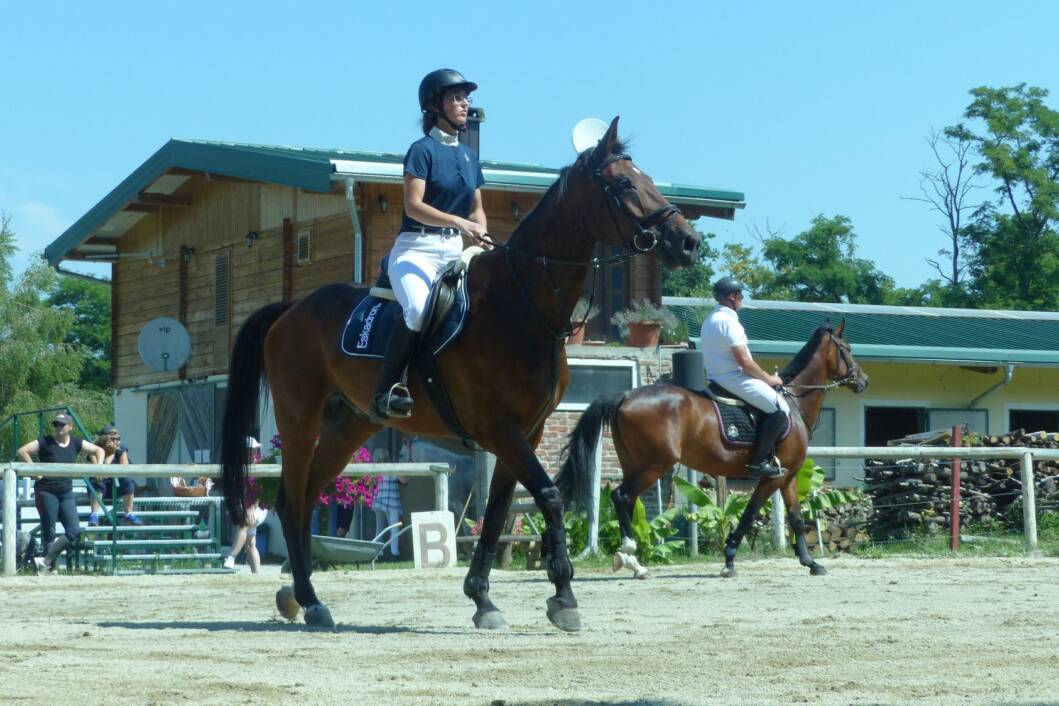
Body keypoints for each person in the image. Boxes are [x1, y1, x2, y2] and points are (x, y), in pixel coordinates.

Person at [371, 68, 489, 421]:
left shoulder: (469, 158)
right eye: (456, 97)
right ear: (435, 105)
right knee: (419, 309)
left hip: (457, 251)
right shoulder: (421, 150)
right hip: (416, 250)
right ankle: (387, 389)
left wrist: (480, 233)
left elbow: (479, 209)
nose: (464, 103)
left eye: (466, 97)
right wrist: (460, 222)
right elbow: (414, 206)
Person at [700, 277, 790, 478]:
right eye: (740, 294)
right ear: (732, 297)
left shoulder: (710, 319)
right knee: (780, 407)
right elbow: (745, 363)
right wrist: (768, 379)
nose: (742, 297)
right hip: (734, 377)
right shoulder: (729, 322)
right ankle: (757, 463)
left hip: (716, 377)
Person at [16, 412, 105, 574]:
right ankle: (50, 569)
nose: (58, 427)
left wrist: (99, 467)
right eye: (56, 424)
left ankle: (45, 561)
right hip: (46, 491)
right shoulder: (45, 441)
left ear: (70, 426)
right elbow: (22, 451)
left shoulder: (77, 442)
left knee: (74, 530)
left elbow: (99, 450)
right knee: (49, 531)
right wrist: (33, 468)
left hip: (66, 492)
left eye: (61, 424)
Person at [223, 437, 266, 573]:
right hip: (245, 507)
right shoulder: (240, 467)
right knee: (250, 544)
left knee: (243, 524)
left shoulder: (260, 466)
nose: (254, 452)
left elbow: (261, 492)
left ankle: (232, 557)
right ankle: (256, 575)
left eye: (255, 449)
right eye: (251, 450)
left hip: (259, 507)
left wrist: (252, 508)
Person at [87, 425, 142, 526]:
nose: (117, 442)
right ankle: (94, 514)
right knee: (97, 479)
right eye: (113, 439)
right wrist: (108, 457)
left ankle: (128, 513)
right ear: (104, 439)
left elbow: (124, 470)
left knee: (127, 479)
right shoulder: (94, 451)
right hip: (100, 488)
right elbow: (97, 470)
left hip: (116, 487)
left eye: (118, 439)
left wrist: (108, 468)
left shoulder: (121, 450)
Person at [372, 448, 405, 562]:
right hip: (390, 501)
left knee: (382, 528)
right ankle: (392, 553)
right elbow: (404, 480)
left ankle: (379, 554)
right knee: (392, 528)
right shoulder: (391, 468)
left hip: (382, 500)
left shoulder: (377, 469)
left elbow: (403, 480)